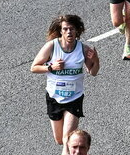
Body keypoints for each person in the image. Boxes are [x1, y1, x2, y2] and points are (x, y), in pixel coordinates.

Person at [31, 14, 100, 144]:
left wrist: (96, 60)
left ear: (77, 31)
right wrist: (51, 67)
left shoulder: (83, 49)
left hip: (74, 98)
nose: (69, 32)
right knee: (59, 140)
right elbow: (34, 67)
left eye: (72, 29)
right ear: (61, 31)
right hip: (54, 97)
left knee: (67, 138)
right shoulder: (51, 46)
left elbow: (93, 72)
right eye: (66, 29)